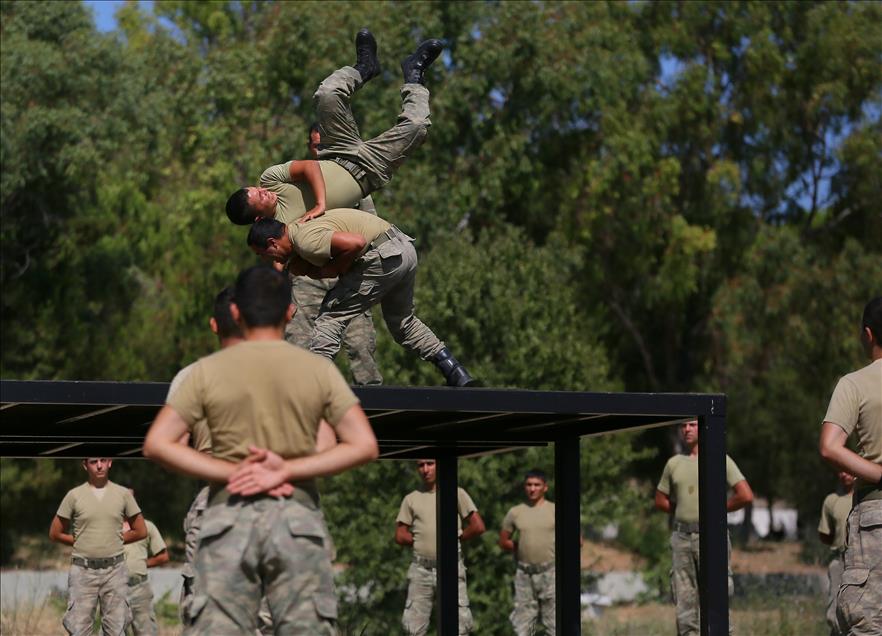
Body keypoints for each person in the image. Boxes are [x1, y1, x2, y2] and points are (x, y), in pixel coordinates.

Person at [143, 265, 379, 634]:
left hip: (227, 516)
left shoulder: (205, 372)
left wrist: (230, 471)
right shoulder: (316, 370)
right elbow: (363, 445)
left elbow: (157, 443)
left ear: (236, 312)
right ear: (290, 311)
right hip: (296, 517)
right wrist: (285, 470)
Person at [172, 285, 338, 632]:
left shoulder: (195, 376)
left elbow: (164, 443)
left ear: (219, 324)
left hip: (219, 498)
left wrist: (224, 469)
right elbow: (332, 442)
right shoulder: (298, 370)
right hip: (285, 496)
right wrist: (285, 469)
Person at [225, 29, 443, 226]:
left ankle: (364, 68)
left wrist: (320, 204)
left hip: (337, 150)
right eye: (260, 197)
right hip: (370, 170)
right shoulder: (287, 228)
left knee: (327, 95)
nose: (264, 191)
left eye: (257, 189)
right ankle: (414, 77)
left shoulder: (269, 180)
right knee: (417, 127)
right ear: (258, 217)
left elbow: (308, 167)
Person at [247, 210, 478, 387]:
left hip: (382, 256)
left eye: (263, 254)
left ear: (272, 243)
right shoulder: (302, 230)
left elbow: (355, 243)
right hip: (403, 250)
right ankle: (455, 371)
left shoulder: (304, 239)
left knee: (331, 316)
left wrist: (334, 270)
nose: (269, 259)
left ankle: (314, 383)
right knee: (403, 323)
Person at [285, 123, 382, 385]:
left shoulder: (351, 184)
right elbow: (279, 237)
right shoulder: (297, 185)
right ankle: (301, 400)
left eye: (327, 146)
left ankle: (370, 403)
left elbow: (371, 234)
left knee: (361, 347)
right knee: (299, 343)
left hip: (347, 275)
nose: (322, 151)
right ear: (310, 147)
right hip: (308, 277)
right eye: (317, 146)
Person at [654, 419, 754, 636]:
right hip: (681, 537)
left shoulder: (719, 459)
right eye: (683, 426)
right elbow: (660, 500)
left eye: (692, 425)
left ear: (703, 427)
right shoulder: (674, 463)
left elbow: (745, 495)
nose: (687, 430)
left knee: (717, 597)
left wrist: (715, 510)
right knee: (684, 598)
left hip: (711, 536)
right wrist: (681, 507)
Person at [819, 296, 882, 636]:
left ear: (868, 334)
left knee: (868, 622)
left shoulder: (854, 383)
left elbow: (830, 447)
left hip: (877, 517)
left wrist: (876, 472)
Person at [49, 458, 148, 636]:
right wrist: (82, 540)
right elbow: (55, 532)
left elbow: (140, 530)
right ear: (85, 465)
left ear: (110, 462)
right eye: (94, 461)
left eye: (103, 460)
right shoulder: (74, 495)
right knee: (78, 629)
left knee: (116, 630)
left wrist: (114, 539)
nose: (99, 465)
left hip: (115, 570)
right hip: (83, 571)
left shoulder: (123, 494)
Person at [395, 459, 485, 636]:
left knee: (459, 625)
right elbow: (400, 535)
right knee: (413, 629)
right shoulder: (411, 498)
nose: (425, 469)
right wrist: (419, 539)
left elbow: (478, 526)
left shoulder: (456, 493)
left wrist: (457, 538)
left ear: (439, 465)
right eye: (421, 465)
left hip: (451, 566)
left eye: (430, 463)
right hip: (421, 568)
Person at [499, 469, 557, 636]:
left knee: (554, 622)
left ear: (545, 487)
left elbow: (576, 540)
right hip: (525, 573)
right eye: (529, 485)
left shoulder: (554, 510)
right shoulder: (516, 512)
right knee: (523, 624)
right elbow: (503, 540)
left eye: (536, 485)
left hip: (550, 572)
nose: (532, 489)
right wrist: (521, 546)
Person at [122, 504, 169, 636]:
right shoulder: (108, 528)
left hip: (139, 588)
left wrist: (142, 564)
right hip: (113, 590)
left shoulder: (147, 526)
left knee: (146, 632)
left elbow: (163, 556)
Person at [818, 471, 855, 636]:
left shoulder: (869, 498)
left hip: (866, 560)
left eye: (848, 469)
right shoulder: (832, 500)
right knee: (835, 614)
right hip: (840, 560)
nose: (844, 474)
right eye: (840, 470)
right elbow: (825, 534)